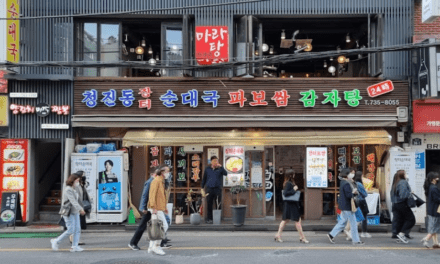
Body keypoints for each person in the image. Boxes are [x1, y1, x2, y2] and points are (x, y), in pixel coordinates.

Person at [128, 167, 172, 251]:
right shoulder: (150, 182)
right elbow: (145, 195)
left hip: (156, 207)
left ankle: (161, 242)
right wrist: (143, 207)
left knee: (162, 223)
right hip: (151, 208)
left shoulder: (159, 181)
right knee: (143, 226)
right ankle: (133, 243)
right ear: (153, 174)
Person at [327, 168, 364, 245]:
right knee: (353, 223)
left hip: (344, 206)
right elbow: (348, 195)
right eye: (351, 173)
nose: (352, 174)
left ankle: (331, 235)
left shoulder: (343, 182)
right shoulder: (346, 183)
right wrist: (354, 193)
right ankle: (356, 240)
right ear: (347, 174)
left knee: (343, 222)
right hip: (348, 206)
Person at [51, 174, 86, 252]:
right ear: (72, 180)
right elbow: (73, 201)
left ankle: (74, 246)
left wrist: (81, 208)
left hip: (75, 211)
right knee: (71, 230)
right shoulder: (68, 189)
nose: (78, 182)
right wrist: (80, 209)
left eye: (78, 180)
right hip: (68, 212)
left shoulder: (75, 188)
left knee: (77, 229)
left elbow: (78, 200)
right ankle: (56, 241)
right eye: (77, 180)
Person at [274, 169, 309, 244]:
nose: (294, 175)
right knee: (296, 221)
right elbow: (286, 193)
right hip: (291, 205)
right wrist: (294, 189)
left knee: (286, 220)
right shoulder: (288, 183)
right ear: (291, 175)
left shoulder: (287, 182)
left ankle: (278, 235)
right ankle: (302, 237)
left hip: (289, 204)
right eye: (293, 174)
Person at [147, 165, 170, 255]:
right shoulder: (156, 181)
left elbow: (161, 196)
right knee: (163, 226)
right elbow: (152, 195)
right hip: (156, 208)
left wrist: (165, 208)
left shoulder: (161, 181)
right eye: (167, 171)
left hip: (158, 208)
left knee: (155, 227)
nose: (168, 173)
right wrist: (154, 208)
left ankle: (151, 246)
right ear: (162, 172)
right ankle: (156, 246)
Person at [390, 170, 415, 244]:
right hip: (402, 204)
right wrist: (410, 193)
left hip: (396, 204)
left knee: (399, 220)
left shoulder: (396, 182)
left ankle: (399, 236)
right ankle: (402, 234)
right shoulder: (403, 182)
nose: (406, 175)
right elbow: (403, 195)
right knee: (411, 220)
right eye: (405, 173)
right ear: (402, 175)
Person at [201, 156, 227, 224]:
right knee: (209, 204)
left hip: (217, 189)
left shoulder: (220, 169)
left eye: (217, 161)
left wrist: (221, 167)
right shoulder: (207, 169)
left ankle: (218, 218)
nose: (216, 162)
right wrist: (202, 188)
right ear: (211, 161)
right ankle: (209, 219)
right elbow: (204, 179)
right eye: (214, 160)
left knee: (218, 204)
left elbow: (226, 173)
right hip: (209, 189)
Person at [69, 171, 90, 246]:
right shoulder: (76, 186)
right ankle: (73, 239)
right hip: (78, 207)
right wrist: (80, 208)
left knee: (79, 224)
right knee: (77, 225)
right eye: (83, 175)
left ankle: (74, 239)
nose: (84, 177)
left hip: (81, 206)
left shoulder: (82, 184)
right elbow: (76, 198)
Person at [421, 172, 440, 248]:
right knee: (435, 227)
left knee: (433, 226)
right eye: (437, 177)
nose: (438, 179)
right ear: (433, 179)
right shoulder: (434, 188)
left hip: (431, 209)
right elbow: (437, 199)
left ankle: (435, 243)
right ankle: (425, 239)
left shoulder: (429, 187)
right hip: (435, 210)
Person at [354, 171, 370, 238]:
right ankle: (364, 232)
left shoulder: (354, 183)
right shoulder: (359, 184)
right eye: (362, 176)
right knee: (363, 217)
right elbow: (365, 194)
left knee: (357, 217)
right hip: (361, 201)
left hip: (356, 201)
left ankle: (352, 231)